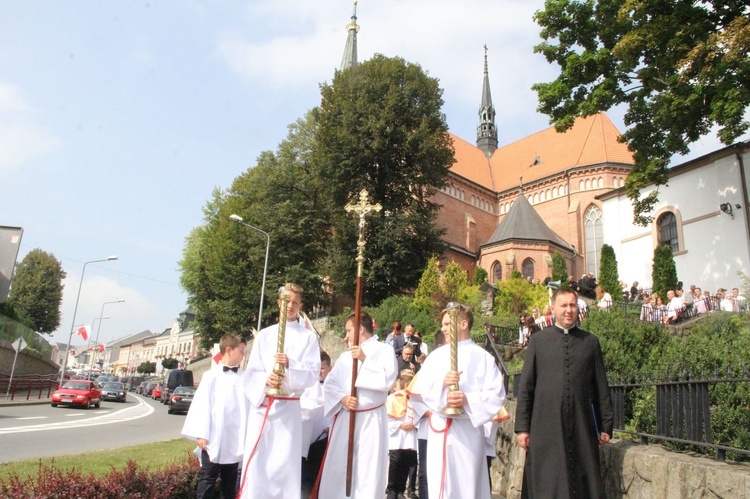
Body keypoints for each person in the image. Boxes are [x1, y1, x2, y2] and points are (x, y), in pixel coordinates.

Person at [515, 288, 613, 498]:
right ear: (553, 309)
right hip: (545, 427)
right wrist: (522, 428)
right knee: (547, 481)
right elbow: (526, 387)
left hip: (581, 425)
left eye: (572, 305)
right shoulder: (538, 341)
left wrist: (606, 425)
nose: (569, 310)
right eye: (564, 305)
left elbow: (600, 386)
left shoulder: (590, 342)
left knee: (583, 481)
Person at [413, 303, 506, 499]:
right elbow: (420, 390)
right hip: (440, 430)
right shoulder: (436, 357)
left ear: (462, 324)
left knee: (467, 485)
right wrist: (442, 385)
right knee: (441, 485)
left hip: (468, 432)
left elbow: (496, 395)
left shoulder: (483, 358)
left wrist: (467, 399)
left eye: (447, 324)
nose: (443, 329)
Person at [238, 283, 320, 499]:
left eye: (295, 302)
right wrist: (267, 378)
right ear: (278, 303)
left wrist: (290, 364)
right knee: (259, 462)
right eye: (287, 301)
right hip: (264, 406)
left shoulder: (308, 338)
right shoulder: (264, 335)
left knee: (284, 464)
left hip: (289, 410)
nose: (290, 306)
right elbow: (252, 372)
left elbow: (313, 373)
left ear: (300, 306)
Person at [312, 311, 398, 498]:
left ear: (360, 329)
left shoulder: (384, 350)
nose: (347, 336)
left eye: (349, 331)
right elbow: (330, 384)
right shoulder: (344, 357)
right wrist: (343, 399)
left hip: (371, 419)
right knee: (339, 465)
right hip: (346, 416)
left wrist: (364, 360)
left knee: (367, 468)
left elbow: (387, 380)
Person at [181, 334, 247, 499]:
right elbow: (202, 405)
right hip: (213, 436)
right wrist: (202, 434)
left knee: (230, 480)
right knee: (208, 478)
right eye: (241, 351)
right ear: (228, 350)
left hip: (234, 437)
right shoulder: (210, 376)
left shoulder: (245, 377)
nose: (243, 355)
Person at [301, 350, 333, 496]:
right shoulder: (305, 386)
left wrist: (331, 428)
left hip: (324, 438)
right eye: (317, 368)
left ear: (329, 369)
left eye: (322, 368)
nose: (319, 371)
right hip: (306, 437)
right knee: (304, 477)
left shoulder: (333, 388)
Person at [386, 369, 418, 499]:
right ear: (406, 385)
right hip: (397, 435)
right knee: (396, 461)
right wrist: (400, 424)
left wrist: (414, 424)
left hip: (409, 436)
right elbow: (387, 417)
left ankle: (400, 490)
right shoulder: (393, 398)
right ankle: (392, 489)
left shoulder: (414, 399)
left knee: (406, 461)